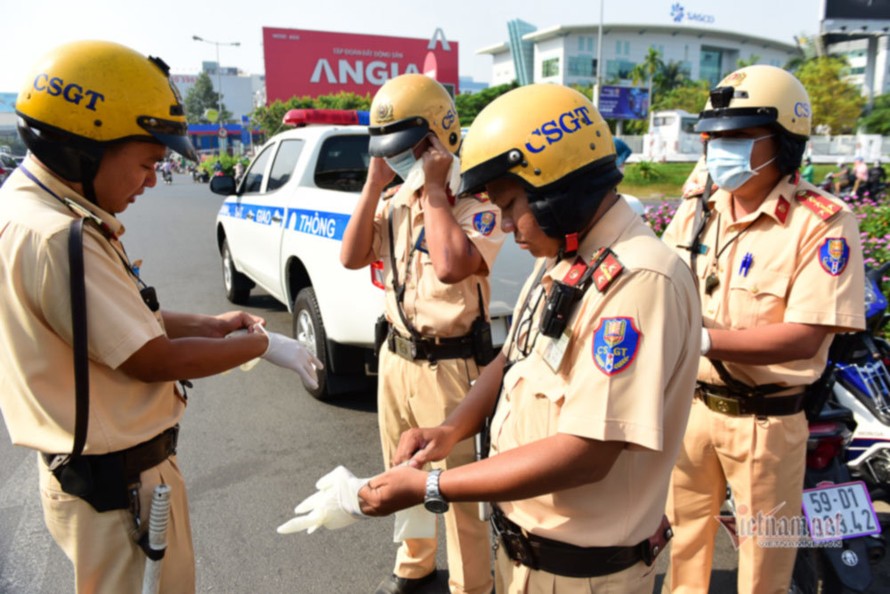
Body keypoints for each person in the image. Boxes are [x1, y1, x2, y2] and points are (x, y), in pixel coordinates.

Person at [0, 40, 322, 594]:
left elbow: (114, 320)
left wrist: (211, 326)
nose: (152, 179)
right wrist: (265, 346)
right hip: (117, 488)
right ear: (85, 148)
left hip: (97, 479)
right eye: (147, 163)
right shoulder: (58, 237)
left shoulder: (32, 209)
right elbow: (150, 358)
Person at [353, 83, 701, 594]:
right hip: (526, 557)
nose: (507, 226)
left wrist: (433, 484)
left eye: (511, 204)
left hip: (581, 577)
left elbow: (588, 453)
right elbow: (510, 361)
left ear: (557, 188)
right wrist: (448, 431)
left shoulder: (639, 281)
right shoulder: (563, 256)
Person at [660, 65, 865, 594]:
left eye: (738, 136)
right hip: (691, 410)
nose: (718, 149)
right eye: (712, 137)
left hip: (766, 422)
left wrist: (701, 339)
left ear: (784, 142)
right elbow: (661, 281)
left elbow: (805, 336)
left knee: (764, 564)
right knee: (683, 547)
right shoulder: (699, 208)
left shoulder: (821, 221)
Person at [340, 73, 504, 594]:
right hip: (397, 359)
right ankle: (414, 565)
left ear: (440, 136)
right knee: (401, 471)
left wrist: (435, 189)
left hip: (451, 367)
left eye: (409, 147)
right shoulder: (395, 199)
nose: (400, 158)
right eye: (390, 150)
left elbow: (453, 267)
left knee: (456, 487)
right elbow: (351, 256)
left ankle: (471, 584)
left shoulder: (475, 201)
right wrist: (374, 181)